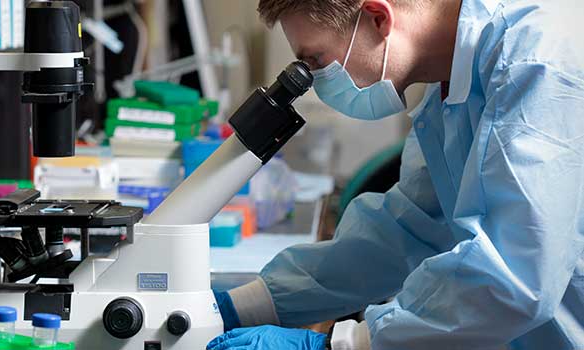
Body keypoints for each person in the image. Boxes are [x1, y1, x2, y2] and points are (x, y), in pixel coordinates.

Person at [207, 0, 584, 349]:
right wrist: (247, 305)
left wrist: (343, 344)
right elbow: (411, 231)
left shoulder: (537, 62)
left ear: (378, 17)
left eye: (317, 61)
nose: (318, 84)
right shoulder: (453, 83)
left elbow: (516, 278)